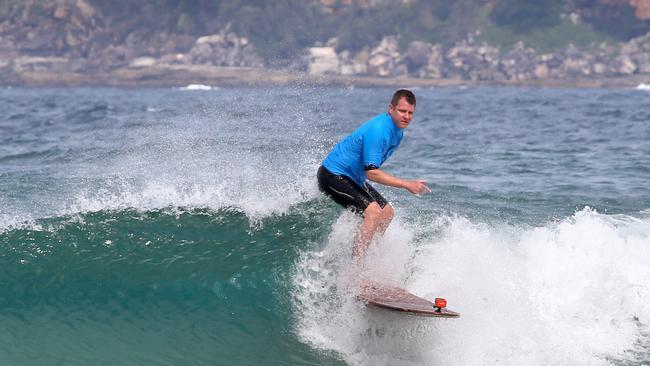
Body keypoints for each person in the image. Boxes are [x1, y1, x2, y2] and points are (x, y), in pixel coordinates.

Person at [317, 89, 431, 266]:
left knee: (387, 213)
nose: (406, 116)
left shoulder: (398, 131)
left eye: (410, 113)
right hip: (332, 175)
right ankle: (356, 271)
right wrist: (406, 184)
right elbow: (372, 172)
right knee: (373, 212)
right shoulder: (379, 130)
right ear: (390, 109)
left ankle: (370, 261)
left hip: (353, 177)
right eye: (402, 111)